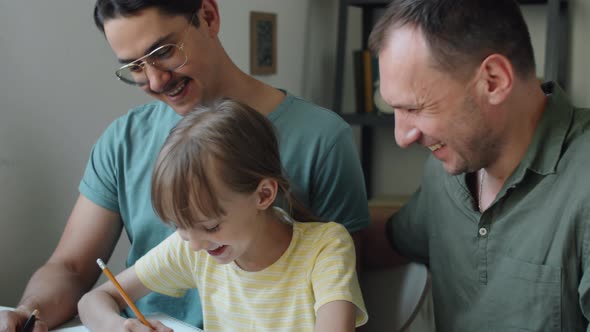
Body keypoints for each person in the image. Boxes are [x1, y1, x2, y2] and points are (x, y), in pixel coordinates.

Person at [0, 0, 370, 331]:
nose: (156, 80)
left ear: (208, 16)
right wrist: (29, 312)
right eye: (134, 67)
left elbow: (341, 283)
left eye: (163, 51)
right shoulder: (124, 139)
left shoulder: (322, 140)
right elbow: (71, 268)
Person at [364, 0, 590, 330]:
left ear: (494, 80)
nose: (402, 136)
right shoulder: (447, 168)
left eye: (414, 108)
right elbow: (388, 240)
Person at [77, 98, 368, 332]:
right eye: (180, 227)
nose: (194, 244)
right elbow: (93, 301)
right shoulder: (195, 248)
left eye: (212, 226)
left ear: (264, 195)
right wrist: (120, 326)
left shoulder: (326, 248)